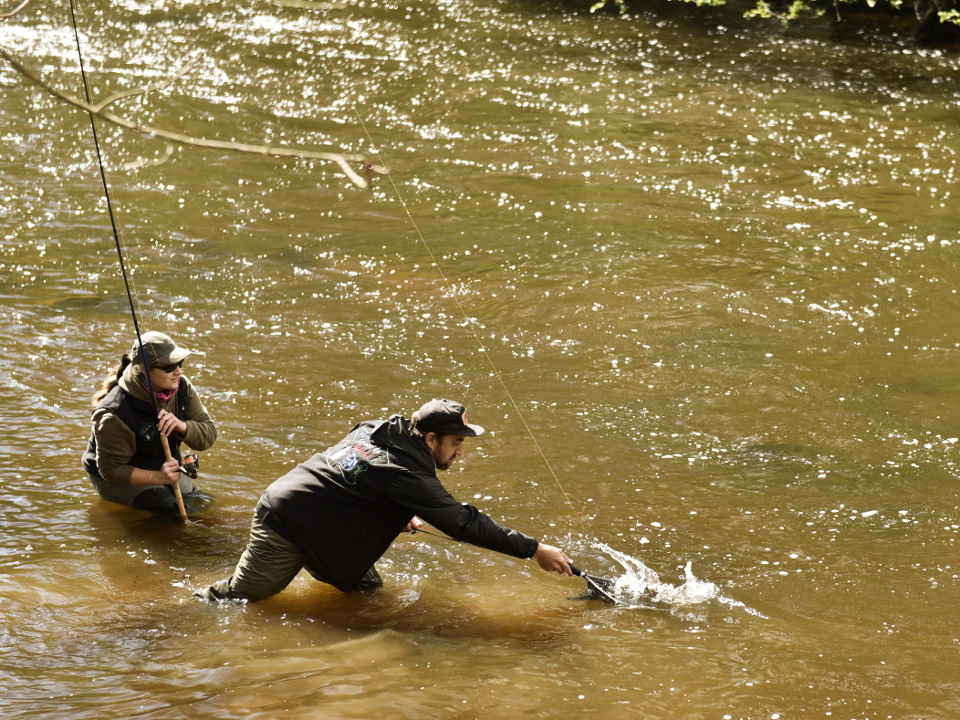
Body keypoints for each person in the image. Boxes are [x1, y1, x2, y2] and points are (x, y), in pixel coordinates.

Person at [196, 398, 573, 601]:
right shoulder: (408, 476)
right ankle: (180, 611)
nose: (460, 452)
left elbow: (357, 469)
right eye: (456, 442)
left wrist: (392, 506)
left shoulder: (378, 429)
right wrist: (534, 549)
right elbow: (463, 522)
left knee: (367, 594)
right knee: (240, 599)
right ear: (429, 440)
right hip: (287, 520)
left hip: (329, 525)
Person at [82, 331, 218, 514]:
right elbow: (111, 470)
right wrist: (157, 477)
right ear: (145, 369)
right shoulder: (113, 413)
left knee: (202, 504)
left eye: (179, 363)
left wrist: (181, 426)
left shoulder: (182, 386)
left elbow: (208, 435)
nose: (178, 371)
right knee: (170, 510)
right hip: (118, 475)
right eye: (169, 367)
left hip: (161, 462)